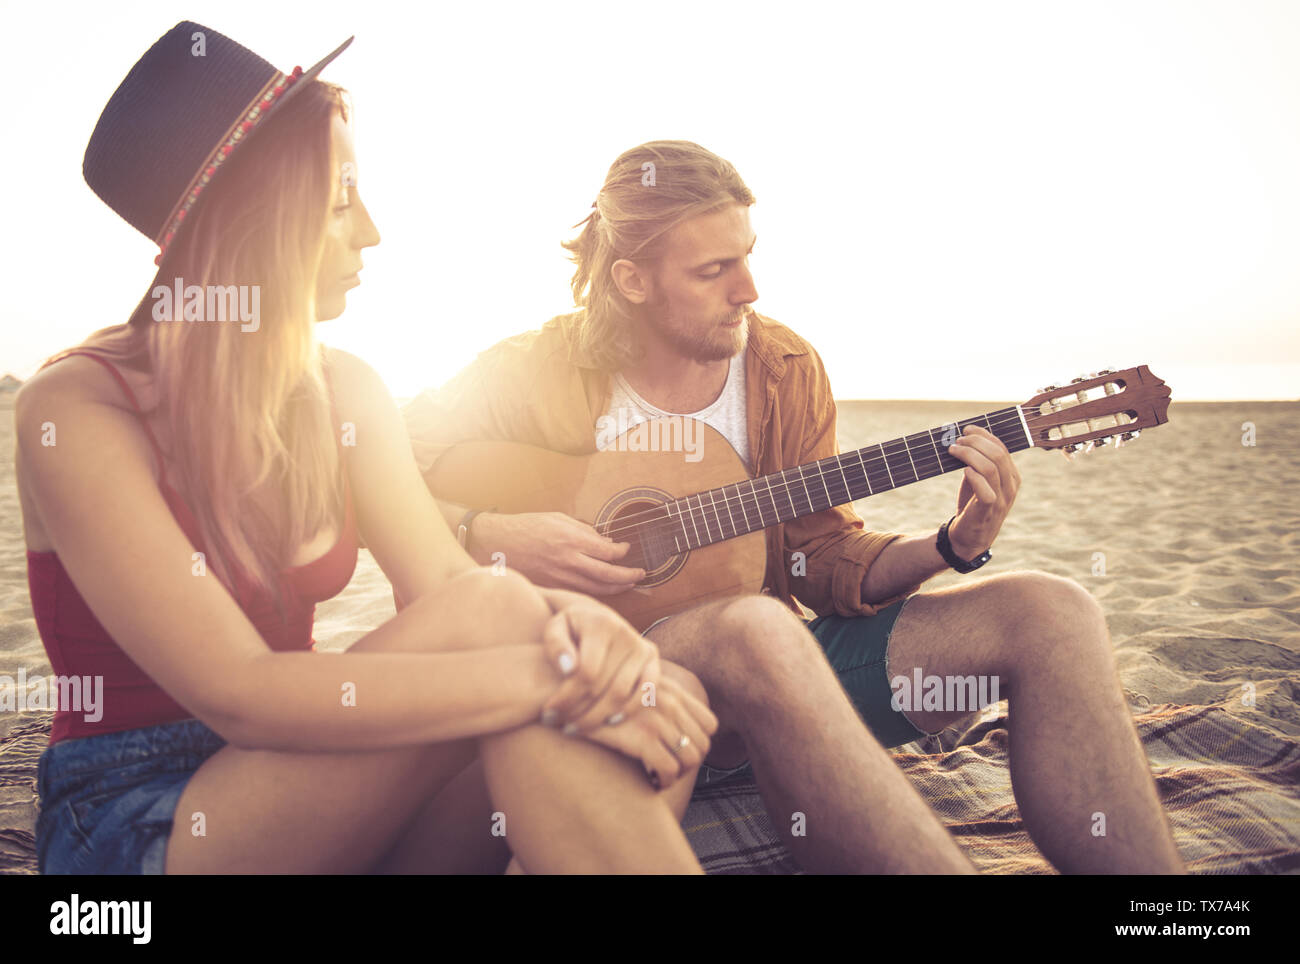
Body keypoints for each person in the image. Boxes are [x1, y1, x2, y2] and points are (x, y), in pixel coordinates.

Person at [16, 24, 715, 876]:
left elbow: (454, 589)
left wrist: (602, 644)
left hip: (318, 785)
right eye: (343, 200)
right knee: (552, 687)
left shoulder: (344, 388)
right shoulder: (79, 408)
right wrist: (557, 679)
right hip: (140, 822)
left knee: (576, 682)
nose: (373, 232)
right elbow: (241, 695)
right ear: (256, 215)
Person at [401, 140, 1188, 874]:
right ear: (631, 281)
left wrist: (951, 544)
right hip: (595, 689)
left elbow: (824, 560)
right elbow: (381, 474)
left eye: (747, 257)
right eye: (713, 271)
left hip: (769, 689)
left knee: (1053, 610)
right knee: (754, 624)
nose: (748, 289)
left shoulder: (781, 367)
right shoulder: (528, 370)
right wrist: (485, 532)